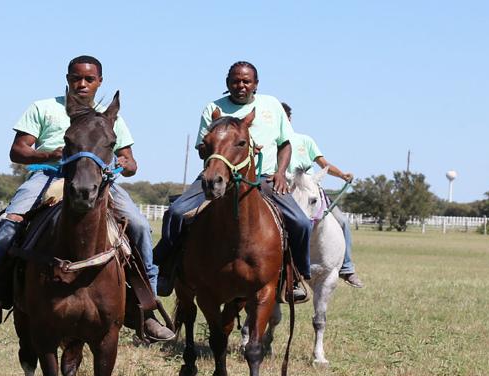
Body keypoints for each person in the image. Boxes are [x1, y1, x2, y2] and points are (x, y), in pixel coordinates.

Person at [0, 55, 170, 342]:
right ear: (67, 79)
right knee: (8, 231)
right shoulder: (43, 107)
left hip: (98, 179)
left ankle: (146, 308)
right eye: (75, 78)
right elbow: (18, 151)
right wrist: (50, 154)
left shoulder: (109, 117)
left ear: (99, 82)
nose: (82, 83)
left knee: (140, 227)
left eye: (89, 79)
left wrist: (122, 164)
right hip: (49, 177)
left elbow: (130, 162)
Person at [151, 61, 312, 302]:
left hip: (264, 177)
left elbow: (285, 144)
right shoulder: (213, 108)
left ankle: (295, 278)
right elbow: (201, 148)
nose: (241, 85)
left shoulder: (272, 106)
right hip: (218, 175)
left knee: (301, 223)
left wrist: (280, 172)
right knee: (175, 212)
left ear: (255, 84)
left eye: (246, 81)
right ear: (227, 84)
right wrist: (216, 158)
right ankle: (163, 270)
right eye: (236, 81)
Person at [281, 102, 362, 288]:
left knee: (342, 221)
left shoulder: (305, 141)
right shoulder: (272, 142)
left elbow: (324, 163)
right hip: (286, 191)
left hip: (311, 189)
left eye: (285, 117)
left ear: (290, 119)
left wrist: (342, 174)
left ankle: (347, 268)